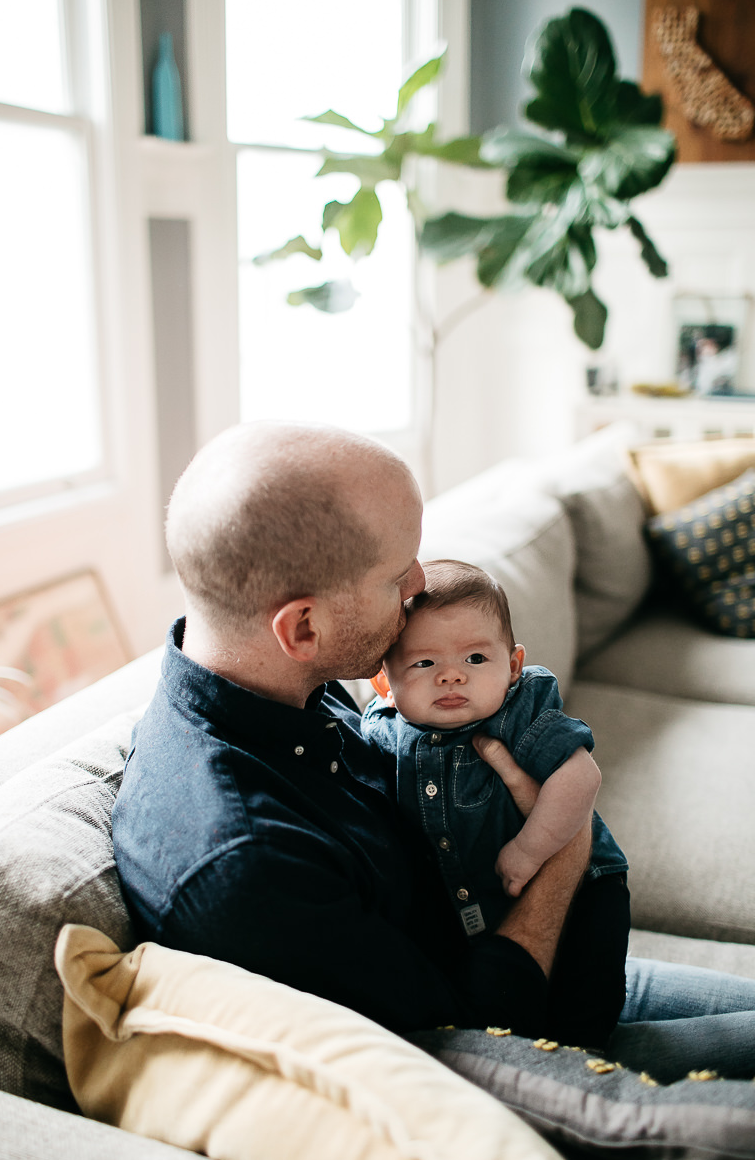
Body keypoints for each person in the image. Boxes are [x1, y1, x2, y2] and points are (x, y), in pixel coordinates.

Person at [112, 420, 755, 1084]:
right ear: (303, 625)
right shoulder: (248, 865)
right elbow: (474, 1033)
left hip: (534, 943)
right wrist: (566, 851)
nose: (419, 584)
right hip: (523, 1037)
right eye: (397, 577)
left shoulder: (282, 684)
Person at [362, 559, 629, 1048]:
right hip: (480, 910)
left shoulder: (517, 713)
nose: (451, 676)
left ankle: (586, 1052)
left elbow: (581, 777)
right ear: (384, 683)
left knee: (584, 1013)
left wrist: (529, 850)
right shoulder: (381, 733)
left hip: (586, 888)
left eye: (475, 659)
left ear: (512, 666)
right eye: (424, 663)